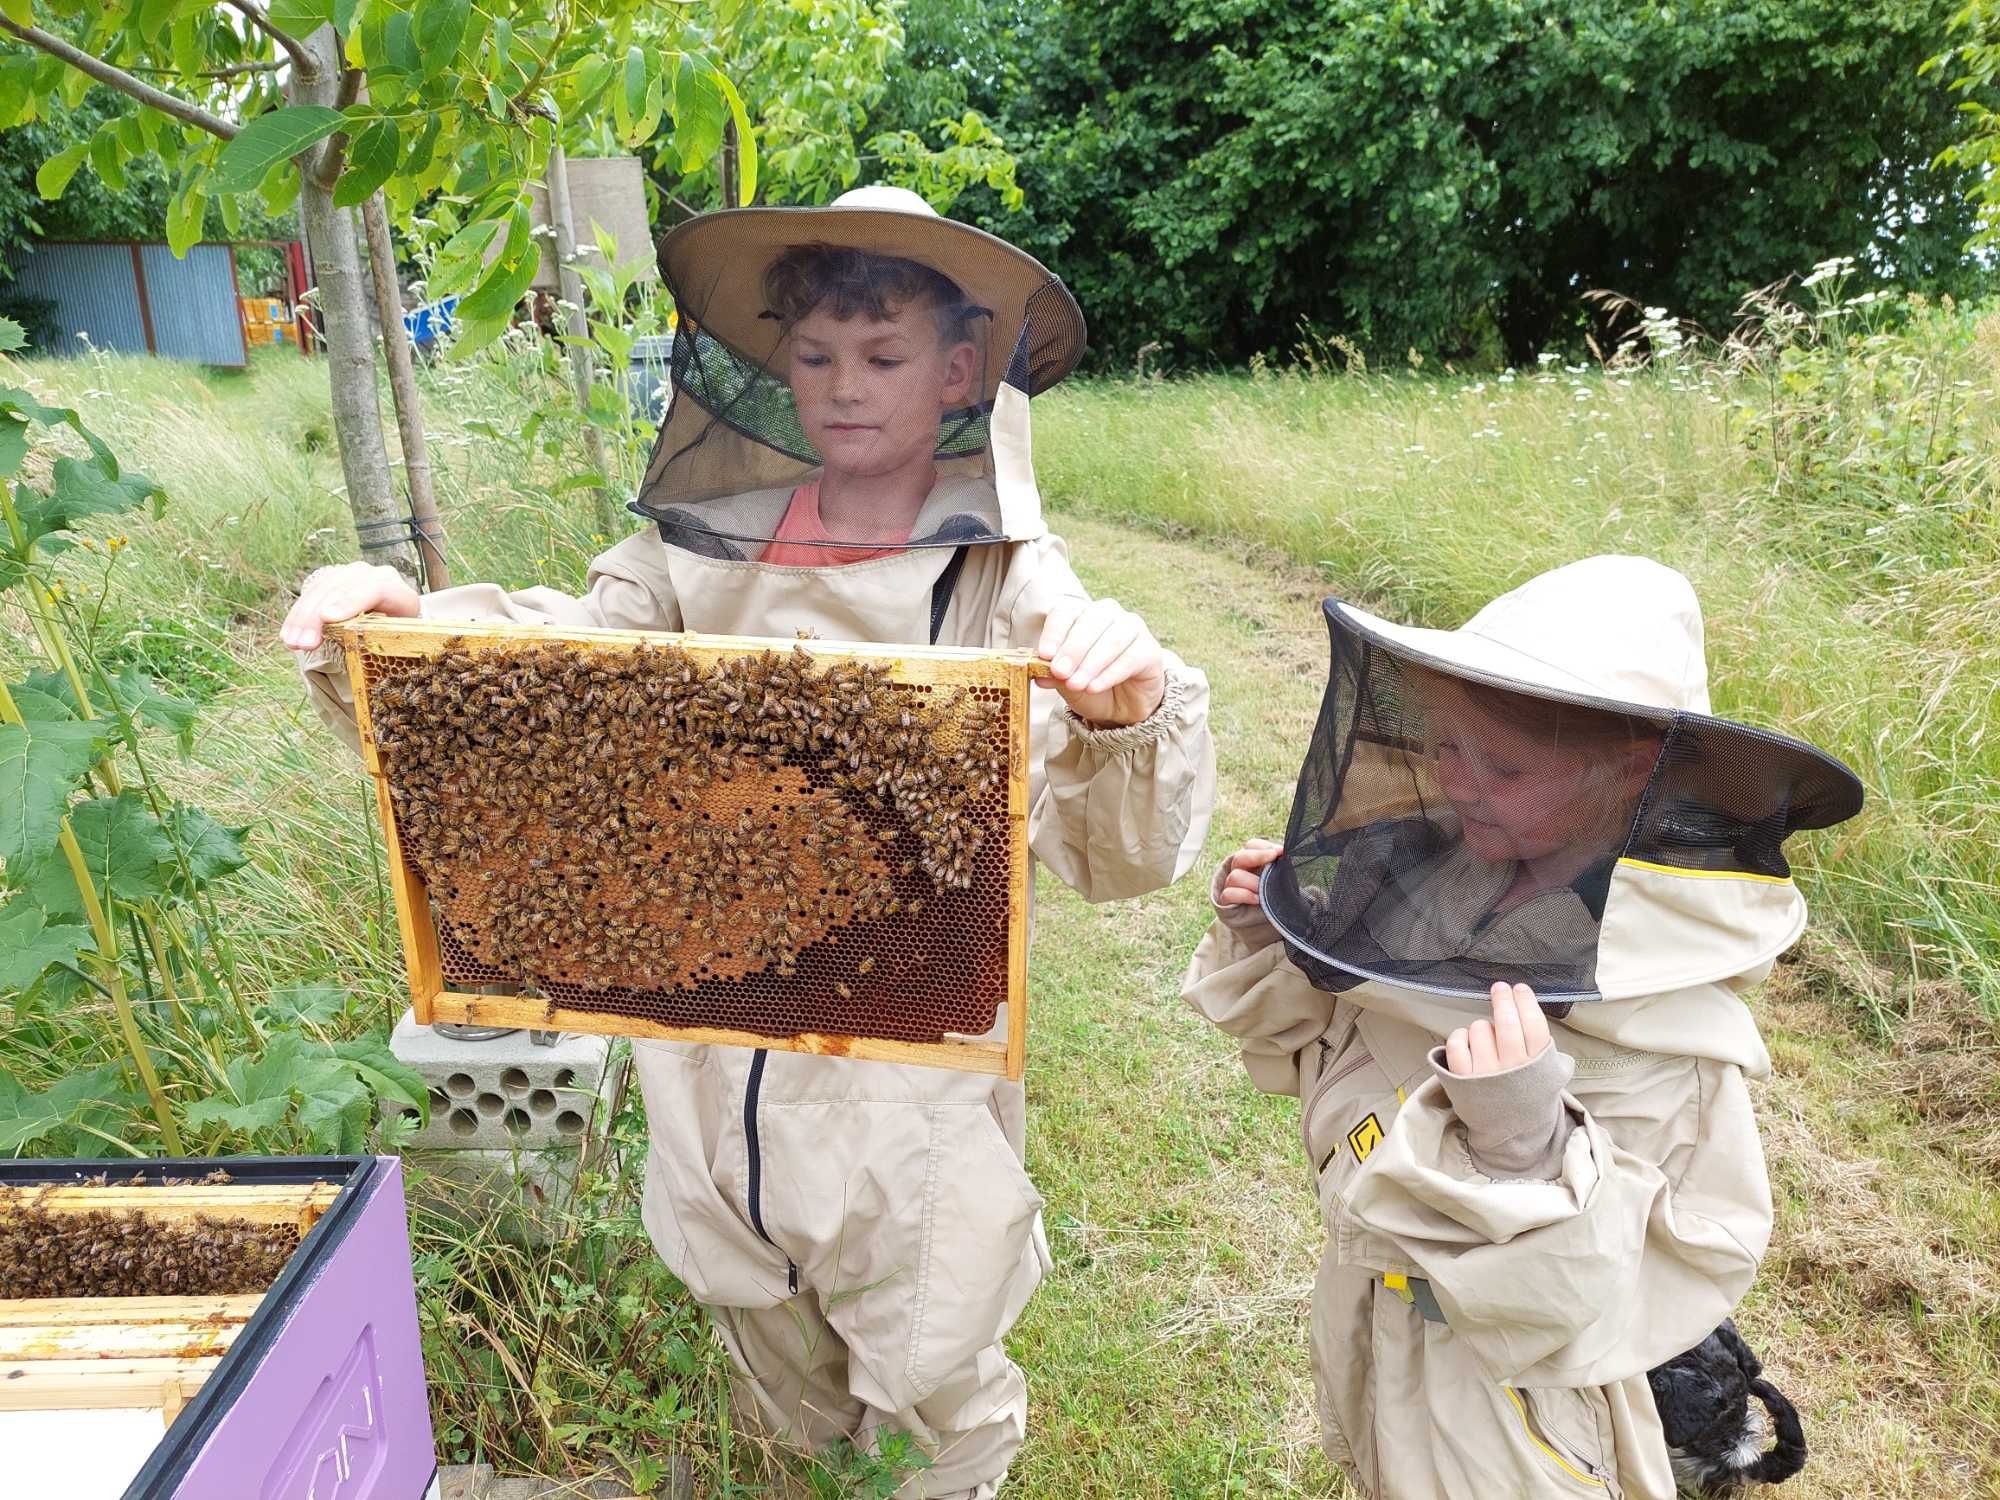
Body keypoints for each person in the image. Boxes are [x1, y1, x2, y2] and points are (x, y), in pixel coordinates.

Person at [283, 185, 1216, 1498]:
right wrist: (402, 632)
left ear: (958, 370)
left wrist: (1130, 710)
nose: (844, 389)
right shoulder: (693, 554)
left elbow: (1116, 855)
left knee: (934, 1362)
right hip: (714, 1043)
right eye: (816, 354)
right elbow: (557, 665)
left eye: (884, 359)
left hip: (909, 1069)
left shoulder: (1004, 580)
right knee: (763, 1361)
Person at [1184, 555, 1861, 1499]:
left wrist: (1527, 1146)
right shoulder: (1446, 882)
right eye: (1447, 746)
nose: (1459, 782)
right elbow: (1328, 1055)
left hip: (1527, 1401)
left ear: (1628, 776)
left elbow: (1650, 1271)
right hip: (1383, 1308)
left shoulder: (1659, 1016)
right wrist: (1275, 940)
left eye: (1501, 765)